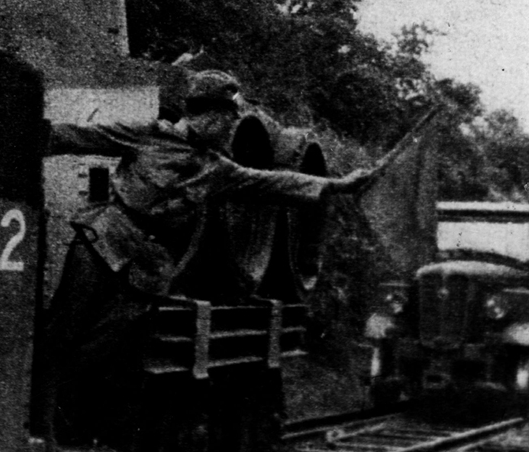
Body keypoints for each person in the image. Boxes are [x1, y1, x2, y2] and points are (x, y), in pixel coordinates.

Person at [36, 70, 382, 448]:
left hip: (145, 268)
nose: (231, 128)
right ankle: (41, 427)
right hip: (103, 240)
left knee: (106, 347)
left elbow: (273, 182)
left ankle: (73, 426)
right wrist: (28, 134)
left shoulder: (216, 168)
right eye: (230, 119)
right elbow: (81, 136)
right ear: (212, 115)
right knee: (62, 334)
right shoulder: (150, 135)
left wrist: (337, 186)